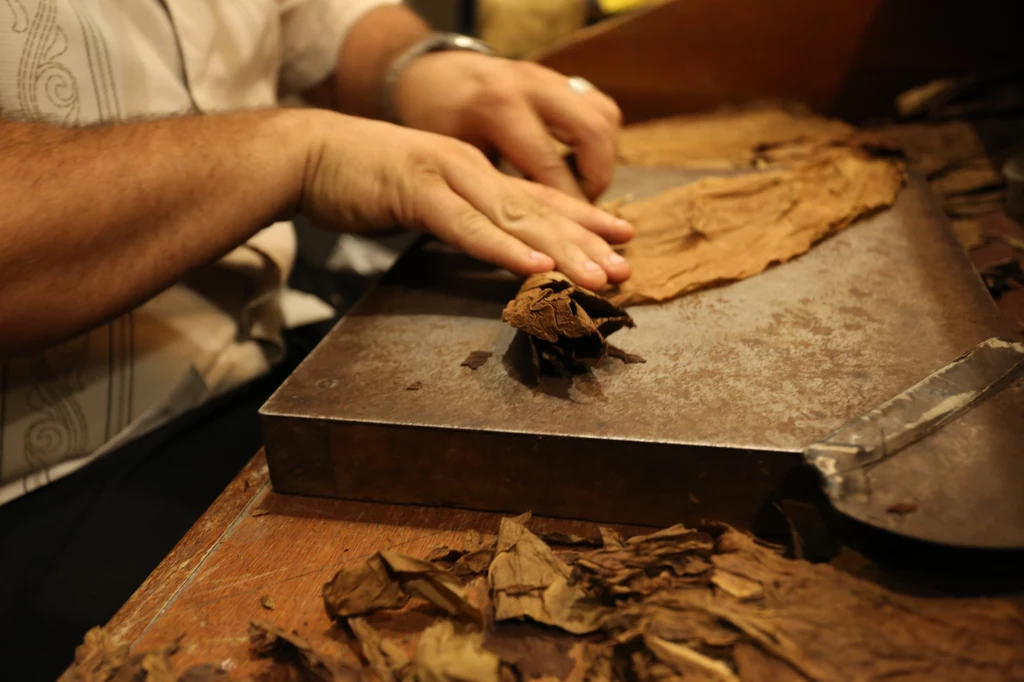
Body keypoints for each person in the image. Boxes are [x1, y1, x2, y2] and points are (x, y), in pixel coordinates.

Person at [0, 0, 630, 677]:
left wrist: (418, 68)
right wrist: (293, 153)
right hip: (55, 481)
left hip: (264, 360)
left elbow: (310, 19)